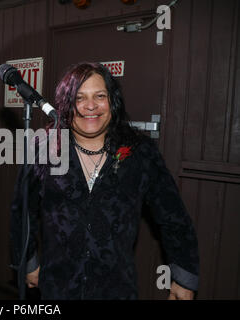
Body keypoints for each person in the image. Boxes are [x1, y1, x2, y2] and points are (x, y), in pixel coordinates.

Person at [11, 62, 199, 300]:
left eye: (100, 96)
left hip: (116, 288)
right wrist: (28, 262)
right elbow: (22, 211)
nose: (91, 106)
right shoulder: (42, 149)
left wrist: (183, 278)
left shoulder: (140, 152)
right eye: (80, 98)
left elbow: (173, 217)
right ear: (65, 105)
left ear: (113, 101)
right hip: (57, 286)